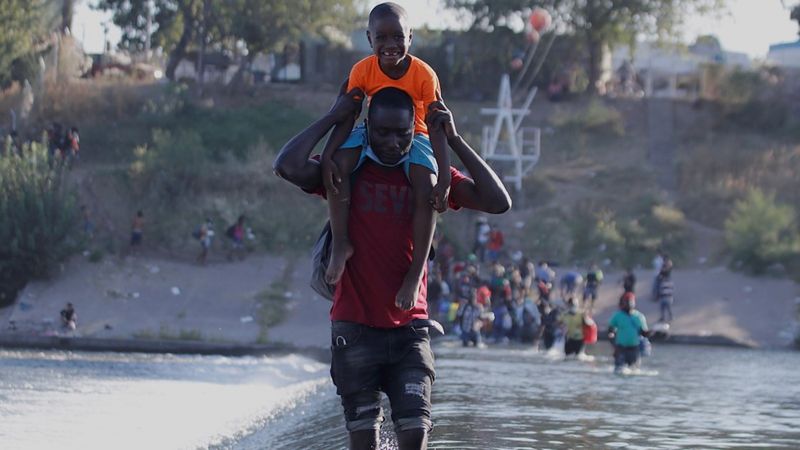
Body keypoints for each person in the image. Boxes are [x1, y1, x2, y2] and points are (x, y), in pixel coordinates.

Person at [273, 85, 511, 449]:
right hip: (354, 328)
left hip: (410, 333)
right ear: (367, 128)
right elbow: (287, 165)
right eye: (382, 131)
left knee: (415, 434)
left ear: (413, 130)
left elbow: (497, 202)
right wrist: (334, 118)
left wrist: (456, 140)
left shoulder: (428, 172)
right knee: (364, 440)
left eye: (402, 133)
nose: (392, 142)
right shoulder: (345, 169)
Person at [320, 3, 451, 312]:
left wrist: (444, 176)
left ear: (410, 37)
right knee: (339, 167)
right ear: (369, 39)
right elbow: (347, 116)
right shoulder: (362, 70)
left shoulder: (424, 75)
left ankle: (416, 270)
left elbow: (436, 125)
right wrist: (328, 155)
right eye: (382, 38)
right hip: (371, 132)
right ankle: (341, 242)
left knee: (425, 185)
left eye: (398, 37)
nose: (390, 46)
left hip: (414, 135)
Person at [607, 292, 650, 373]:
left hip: (634, 347)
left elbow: (644, 333)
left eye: (630, 301)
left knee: (634, 370)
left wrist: (652, 333)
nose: (629, 304)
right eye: (627, 301)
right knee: (619, 370)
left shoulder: (639, 316)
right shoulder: (617, 315)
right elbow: (610, 329)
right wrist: (612, 340)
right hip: (620, 347)